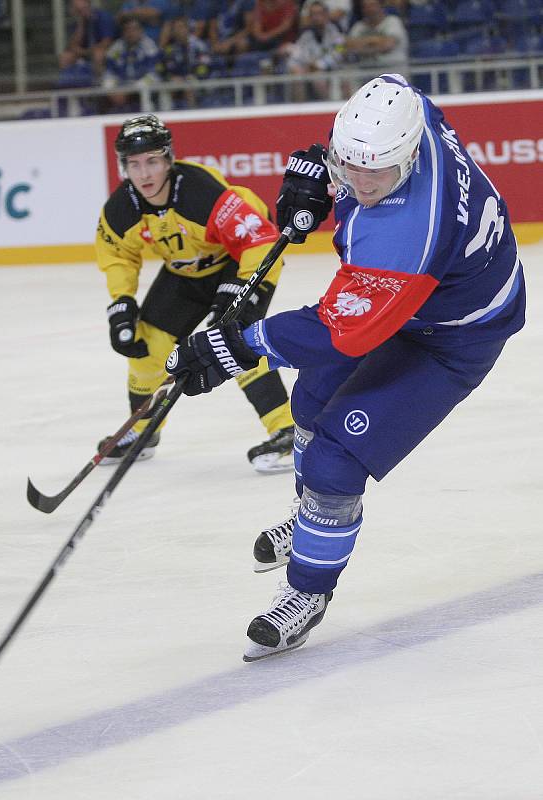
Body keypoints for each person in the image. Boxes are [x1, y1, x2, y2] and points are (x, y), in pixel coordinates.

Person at [166, 74, 526, 661]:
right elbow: (353, 148)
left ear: (408, 159)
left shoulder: (409, 233)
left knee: (335, 462)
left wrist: (233, 346)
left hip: (451, 339)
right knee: (309, 401)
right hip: (425, 300)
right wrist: (315, 170)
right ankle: (310, 518)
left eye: (372, 172)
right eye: (347, 163)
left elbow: (337, 334)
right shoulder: (406, 108)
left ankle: (306, 592)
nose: (357, 181)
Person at [95, 114, 296, 473]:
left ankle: (288, 431)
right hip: (187, 270)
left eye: (153, 161)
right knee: (147, 344)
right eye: (134, 164)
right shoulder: (121, 206)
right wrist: (121, 302)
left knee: (234, 342)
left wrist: (242, 290)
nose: (144, 174)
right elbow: (117, 255)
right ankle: (143, 431)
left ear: (169, 159)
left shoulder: (199, 192)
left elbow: (260, 239)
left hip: (242, 258)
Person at [281, 0, 344, 101]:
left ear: (326, 15)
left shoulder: (336, 33)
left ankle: (327, 108)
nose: (316, 17)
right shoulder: (306, 36)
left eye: (319, 13)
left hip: (332, 70)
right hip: (310, 70)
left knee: (318, 78)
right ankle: (299, 111)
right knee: (297, 75)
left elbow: (338, 53)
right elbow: (298, 54)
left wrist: (318, 65)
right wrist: (295, 66)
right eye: (313, 14)